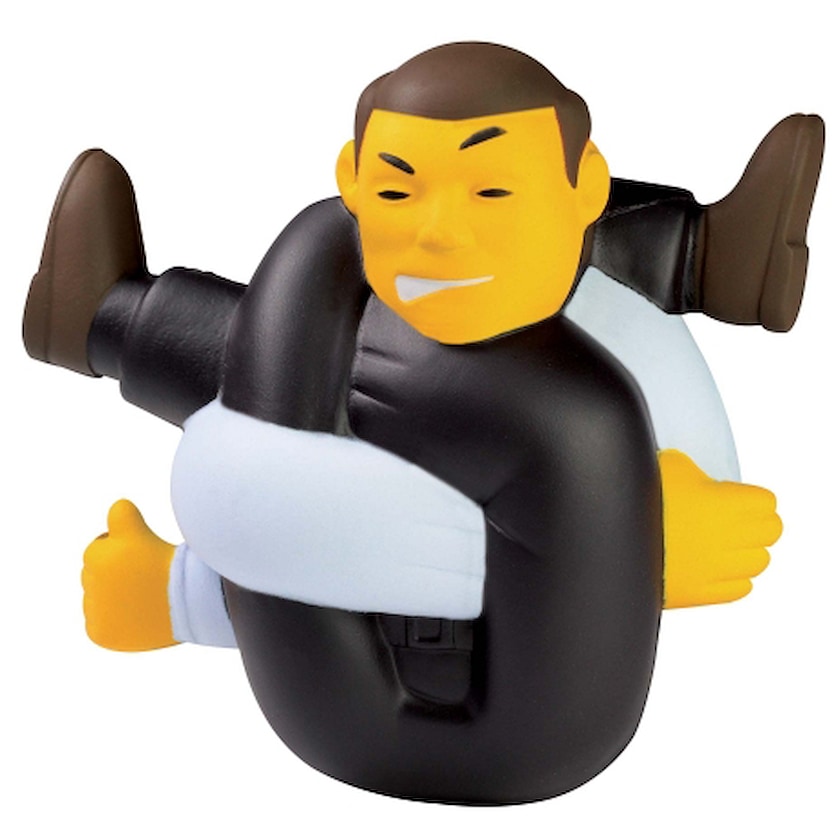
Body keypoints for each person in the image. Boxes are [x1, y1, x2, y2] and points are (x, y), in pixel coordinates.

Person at [24, 42, 821, 803]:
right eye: (395, 193)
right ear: (353, 179)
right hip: (360, 685)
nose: (439, 229)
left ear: (591, 189)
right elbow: (294, 536)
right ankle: (706, 254)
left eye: (490, 196)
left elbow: (304, 535)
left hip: (506, 707)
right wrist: (639, 541)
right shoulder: (361, 298)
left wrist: (633, 545)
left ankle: (101, 316)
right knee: (292, 328)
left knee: (284, 336)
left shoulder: (567, 410)